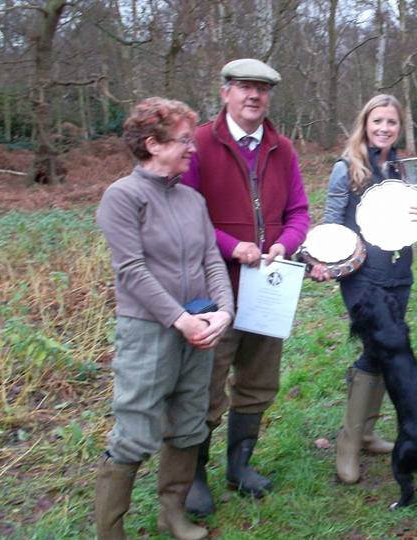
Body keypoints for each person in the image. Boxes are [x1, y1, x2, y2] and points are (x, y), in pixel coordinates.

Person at [94, 97, 234, 540]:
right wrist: (179, 320)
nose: (193, 148)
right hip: (148, 332)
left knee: (190, 422)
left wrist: (224, 312)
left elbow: (212, 259)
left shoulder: (192, 199)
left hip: (200, 328)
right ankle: (110, 532)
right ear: (152, 144)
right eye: (183, 140)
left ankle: (172, 514)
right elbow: (131, 271)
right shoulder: (123, 197)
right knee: (135, 431)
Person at [180, 59, 310, 514]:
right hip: (212, 293)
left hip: (269, 287)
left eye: (262, 88)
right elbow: (187, 215)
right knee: (205, 386)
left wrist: (285, 243)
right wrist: (231, 246)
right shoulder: (199, 144)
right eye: (244, 87)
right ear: (225, 93)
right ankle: (194, 476)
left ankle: (239, 467)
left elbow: (299, 212)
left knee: (258, 381)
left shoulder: (282, 148)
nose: (253, 95)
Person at [310, 94, 417, 484]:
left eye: (391, 122)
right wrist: (321, 260)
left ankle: (367, 434)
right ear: (365, 124)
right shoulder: (346, 168)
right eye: (377, 121)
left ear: (399, 128)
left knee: (391, 351)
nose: (384, 128)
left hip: (400, 273)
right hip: (362, 278)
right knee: (378, 349)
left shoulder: (404, 170)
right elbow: (332, 223)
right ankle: (349, 443)